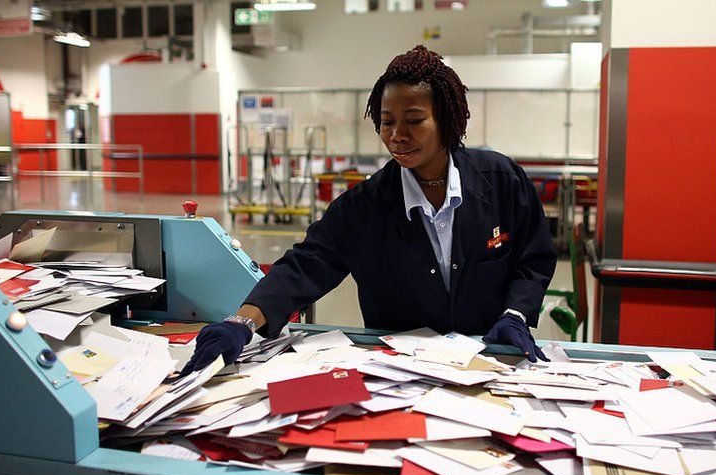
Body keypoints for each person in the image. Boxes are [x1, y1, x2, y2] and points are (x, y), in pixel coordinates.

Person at [183, 45, 556, 374]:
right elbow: (305, 265)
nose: (397, 135)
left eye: (413, 121)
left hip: (491, 362)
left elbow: (532, 258)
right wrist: (241, 322)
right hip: (401, 373)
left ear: (447, 119)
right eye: (387, 121)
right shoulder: (364, 208)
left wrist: (516, 314)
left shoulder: (501, 180)